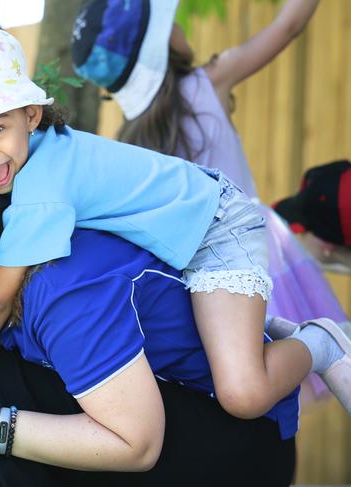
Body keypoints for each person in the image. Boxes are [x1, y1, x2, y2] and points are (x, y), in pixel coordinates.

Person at [0, 23, 351, 422]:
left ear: (31, 116)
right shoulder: (39, 158)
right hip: (187, 228)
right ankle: (259, 329)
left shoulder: (42, 187)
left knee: (244, 395)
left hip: (217, 228)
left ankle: (321, 342)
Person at [0, 122, 298, 486]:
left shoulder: (59, 282)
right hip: (147, 422)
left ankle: (318, 343)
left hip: (226, 445)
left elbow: (139, 444)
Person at [70, 0, 351, 405]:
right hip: (254, 254)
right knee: (280, 388)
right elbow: (289, 25)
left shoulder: (128, 143)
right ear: (161, 43)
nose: (182, 28)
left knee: (253, 396)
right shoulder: (206, 84)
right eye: (172, 24)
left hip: (196, 282)